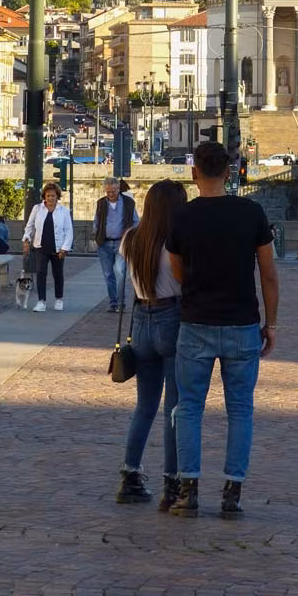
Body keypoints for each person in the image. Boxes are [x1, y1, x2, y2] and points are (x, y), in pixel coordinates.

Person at [166, 142, 278, 520]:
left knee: (189, 408)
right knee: (241, 410)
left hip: (196, 321)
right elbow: (268, 275)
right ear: (229, 172)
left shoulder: (182, 217)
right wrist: (271, 324)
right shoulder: (252, 212)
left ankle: (188, 490)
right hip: (242, 323)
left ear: (194, 173)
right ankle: (232, 493)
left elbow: (178, 271)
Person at [115, 179, 188, 510]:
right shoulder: (175, 242)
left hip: (141, 319)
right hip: (171, 316)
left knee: (144, 405)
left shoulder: (131, 238)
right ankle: (171, 482)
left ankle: (130, 474)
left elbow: (123, 277)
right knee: (174, 406)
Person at [23, 182, 74, 312]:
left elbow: (68, 230)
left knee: (58, 274)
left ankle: (59, 299)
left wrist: (65, 248)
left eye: (53, 196)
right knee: (41, 273)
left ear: (57, 196)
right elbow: (29, 226)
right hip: (41, 246)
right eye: (48, 196)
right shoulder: (37, 209)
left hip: (58, 248)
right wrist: (26, 239)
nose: (51, 198)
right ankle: (41, 301)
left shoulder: (64, 211)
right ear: (44, 197)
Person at [93, 177, 139, 313]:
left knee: (120, 272)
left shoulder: (128, 203)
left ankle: (121, 303)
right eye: (108, 192)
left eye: (113, 191)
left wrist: (129, 235)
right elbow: (96, 221)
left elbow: (136, 221)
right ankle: (113, 303)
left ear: (118, 189)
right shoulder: (101, 203)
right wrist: (96, 234)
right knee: (108, 275)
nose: (110, 194)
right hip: (104, 243)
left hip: (121, 242)